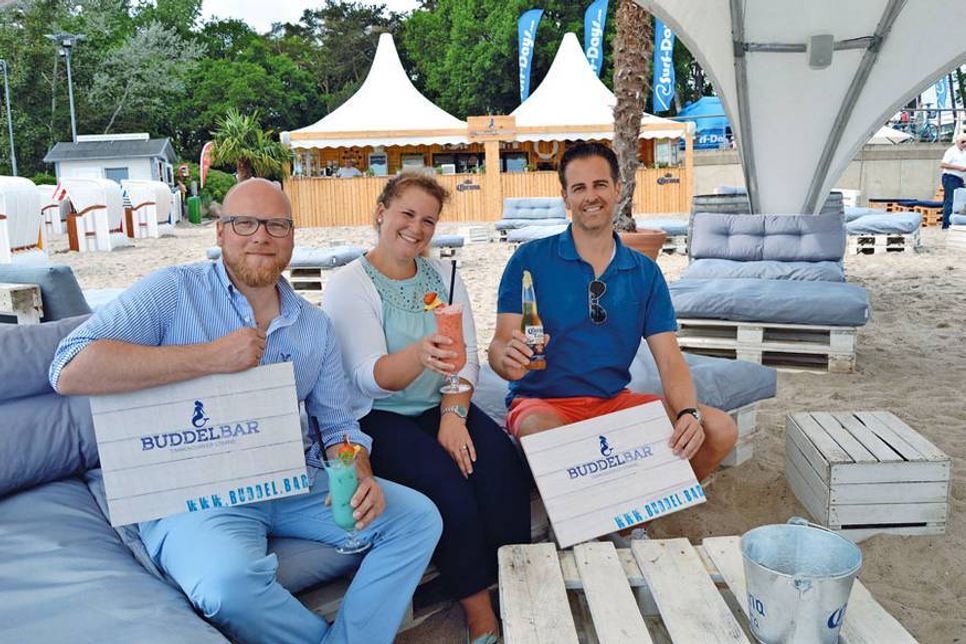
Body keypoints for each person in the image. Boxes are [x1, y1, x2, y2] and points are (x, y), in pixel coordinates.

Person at [49, 178, 442, 644]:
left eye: (276, 225)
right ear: (220, 232)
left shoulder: (312, 326)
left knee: (417, 518)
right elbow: (68, 368)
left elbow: (338, 425)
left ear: (292, 236)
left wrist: (357, 469)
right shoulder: (173, 291)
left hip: (289, 479)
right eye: (245, 223)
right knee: (226, 585)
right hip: (193, 491)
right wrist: (209, 358)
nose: (261, 236)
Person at [488, 142, 738, 537]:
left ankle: (629, 523)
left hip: (613, 402)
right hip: (543, 403)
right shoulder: (529, 260)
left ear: (618, 189)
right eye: (580, 188)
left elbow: (670, 361)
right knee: (545, 437)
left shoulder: (643, 272)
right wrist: (509, 357)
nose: (591, 196)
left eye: (600, 184)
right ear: (566, 197)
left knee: (719, 429)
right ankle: (603, 527)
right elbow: (500, 346)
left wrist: (688, 413)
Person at [321, 173, 529, 644]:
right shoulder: (349, 285)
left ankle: (516, 584)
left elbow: (468, 355)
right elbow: (367, 375)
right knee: (446, 487)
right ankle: (479, 610)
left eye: (428, 220)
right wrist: (420, 354)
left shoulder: (446, 276)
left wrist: (454, 416)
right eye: (407, 214)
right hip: (380, 413)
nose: (417, 228)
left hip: (440, 402)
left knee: (500, 465)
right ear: (381, 212)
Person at [940, 134, 966, 229]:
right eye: (962, 142)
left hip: (959, 178)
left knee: (959, 201)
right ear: (957, 142)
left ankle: (952, 222)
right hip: (950, 177)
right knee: (951, 201)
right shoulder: (952, 151)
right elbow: (943, 164)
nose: (964, 144)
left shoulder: (963, 152)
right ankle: (947, 224)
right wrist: (959, 168)